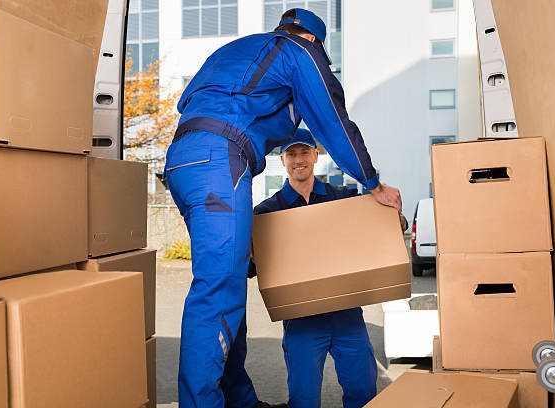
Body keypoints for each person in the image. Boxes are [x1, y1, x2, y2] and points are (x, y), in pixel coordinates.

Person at [163, 7, 402, 408]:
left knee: (227, 280)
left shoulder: (240, 50)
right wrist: (372, 182)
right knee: (218, 289)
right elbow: (332, 119)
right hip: (220, 159)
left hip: (183, 162)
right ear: (314, 41)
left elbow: (193, 105)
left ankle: (238, 399)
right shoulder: (297, 51)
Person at [250, 129, 407, 408]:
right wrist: (249, 252)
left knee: (363, 392)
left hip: (347, 315)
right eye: (291, 154)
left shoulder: (343, 198)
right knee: (304, 400)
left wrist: (396, 219)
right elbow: (251, 268)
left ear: (315, 155)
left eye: (304, 152)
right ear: (283, 160)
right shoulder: (267, 213)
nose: (299, 160)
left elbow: (381, 228)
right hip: (302, 320)